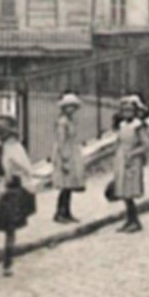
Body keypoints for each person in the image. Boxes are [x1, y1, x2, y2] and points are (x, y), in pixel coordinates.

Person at [0, 114, 37, 278]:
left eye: (4, 130)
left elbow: (26, 171)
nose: (1, 134)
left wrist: (11, 178)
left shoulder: (16, 149)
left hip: (10, 191)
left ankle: (7, 263)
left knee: (9, 228)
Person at [111, 95, 149, 232]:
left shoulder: (138, 126)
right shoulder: (122, 125)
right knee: (123, 192)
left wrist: (133, 154)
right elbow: (118, 142)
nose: (127, 113)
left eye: (129, 110)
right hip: (122, 159)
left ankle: (135, 221)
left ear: (135, 111)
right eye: (124, 110)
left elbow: (145, 145)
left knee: (130, 192)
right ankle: (129, 220)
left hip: (133, 161)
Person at [51, 92, 87, 224]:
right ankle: (59, 212)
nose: (71, 109)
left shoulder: (72, 121)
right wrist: (65, 159)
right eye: (68, 107)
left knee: (70, 185)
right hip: (65, 153)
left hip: (72, 151)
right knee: (65, 185)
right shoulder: (63, 122)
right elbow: (61, 141)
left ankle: (67, 211)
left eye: (73, 107)